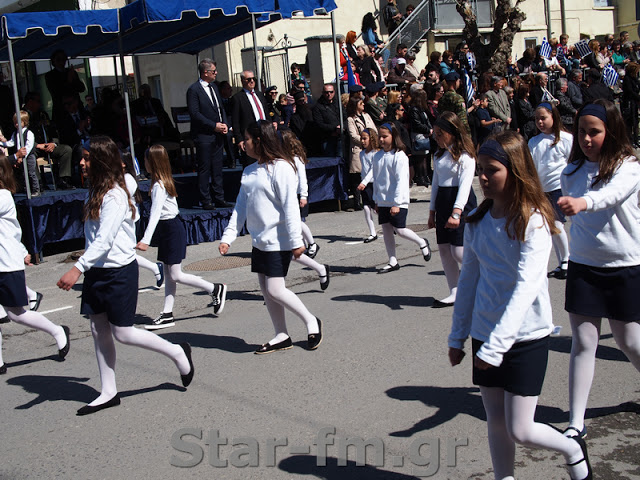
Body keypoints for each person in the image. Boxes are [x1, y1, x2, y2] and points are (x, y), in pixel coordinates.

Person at [448, 130, 592, 480]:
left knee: (521, 429)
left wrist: (497, 346)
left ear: (514, 171)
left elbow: (527, 287)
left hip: (525, 337)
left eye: (491, 170)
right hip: (485, 337)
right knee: (496, 423)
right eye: (480, 168)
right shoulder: (478, 221)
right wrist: (457, 336)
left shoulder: (533, 220)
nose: (482, 177)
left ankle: (572, 448)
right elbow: (468, 282)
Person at [57, 136, 194, 415]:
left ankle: (177, 351)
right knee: (98, 329)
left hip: (119, 271)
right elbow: (94, 237)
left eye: (86, 158)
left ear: (100, 162)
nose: (81, 163)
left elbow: (105, 240)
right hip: (98, 271)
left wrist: (77, 268)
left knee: (123, 333)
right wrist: (87, 267)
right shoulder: (95, 191)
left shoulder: (116, 195)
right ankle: (108, 391)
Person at [557, 100, 640, 443]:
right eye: (582, 131)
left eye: (595, 132)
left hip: (625, 266)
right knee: (584, 342)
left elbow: (611, 195)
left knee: (630, 341)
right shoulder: (570, 172)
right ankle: (576, 421)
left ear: (611, 131)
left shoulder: (629, 166)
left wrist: (583, 202)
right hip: (584, 266)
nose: (587, 138)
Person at [220, 121, 322, 354]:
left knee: (276, 289)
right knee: (267, 292)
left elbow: (290, 206)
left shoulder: (282, 168)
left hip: (280, 239)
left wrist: (297, 241)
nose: (242, 143)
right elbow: (240, 208)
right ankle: (281, 334)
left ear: (259, 140)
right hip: (260, 241)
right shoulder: (248, 172)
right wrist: (229, 236)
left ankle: (311, 321)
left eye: (245, 138)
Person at [136, 145, 227, 330]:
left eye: (145, 159)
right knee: (170, 275)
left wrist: (145, 239)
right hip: (169, 229)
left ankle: (214, 288)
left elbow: (154, 215)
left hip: (171, 229)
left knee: (175, 274)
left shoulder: (158, 186)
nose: (144, 162)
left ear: (152, 162)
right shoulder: (161, 182)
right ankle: (167, 314)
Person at [0, 155, 70, 375]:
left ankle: (57, 331)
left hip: (6, 263)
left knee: (16, 314)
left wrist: (21, 253)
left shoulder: (3, 196)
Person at [358, 123, 431, 274]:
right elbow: (377, 180)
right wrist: (377, 200)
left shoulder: (399, 156)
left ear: (394, 136)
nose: (382, 139)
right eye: (380, 136)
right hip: (383, 200)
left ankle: (422, 242)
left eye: (385, 136)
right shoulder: (377, 156)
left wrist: (397, 203)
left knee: (400, 229)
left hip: (397, 201)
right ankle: (392, 260)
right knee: (386, 230)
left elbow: (401, 181)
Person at [427, 112, 477, 307]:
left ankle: (486, 274)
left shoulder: (465, 156)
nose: (436, 137)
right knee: (445, 250)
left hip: (461, 204)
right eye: (435, 134)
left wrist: (457, 212)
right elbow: (436, 184)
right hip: (443, 203)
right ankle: (455, 291)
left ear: (452, 132)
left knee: (458, 251)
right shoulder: (439, 156)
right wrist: (432, 212)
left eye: (440, 134)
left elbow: (465, 187)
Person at [280, 129, 330, 289]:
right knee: (286, 251)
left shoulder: (296, 159)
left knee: (287, 248)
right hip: (281, 203)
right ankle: (320, 268)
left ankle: (313, 244)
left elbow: (302, 179)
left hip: (293, 199)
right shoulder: (280, 160)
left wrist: (303, 195)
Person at [529, 103, 573, 279]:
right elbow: (532, 167)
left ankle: (567, 260)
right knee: (550, 226)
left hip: (559, 187)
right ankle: (562, 260)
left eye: (543, 118)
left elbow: (573, 162)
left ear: (553, 117)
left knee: (556, 224)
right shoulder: (534, 141)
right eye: (537, 119)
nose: (540, 122)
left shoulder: (565, 139)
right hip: (542, 189)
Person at [186, 58, 231, 210]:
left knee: (217, 167)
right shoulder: (194, 90)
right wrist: (213, 126)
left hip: (218, 135)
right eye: (213, 71)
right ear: (205, 72)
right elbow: (195, 113)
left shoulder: (214, 88)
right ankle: (206, 200)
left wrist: (224, 124)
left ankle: (219, 197)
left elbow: (220, 108)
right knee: (205, 168)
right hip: (204, 136)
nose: (216, 73)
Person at [121, 151, 164, 289]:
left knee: (126, 253)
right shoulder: (118, 178)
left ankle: (154, 268)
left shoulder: (128, 179)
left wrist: (146, 239)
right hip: (122, 221)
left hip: (129, 221)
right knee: (123, 252)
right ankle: (154, 268)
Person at [23, 91, 75, 190]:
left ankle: (63, 180)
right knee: (30, 154)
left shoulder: (42, 114)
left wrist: (53, 143)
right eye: (38, 101)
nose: (40, 104)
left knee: (66, 149)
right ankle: (38, 183)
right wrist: (37, 145)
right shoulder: (22, 115)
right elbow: (20, 136)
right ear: (30, 102)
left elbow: (53, 130)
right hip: (34, 147)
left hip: (47, 145)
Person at [347, 97, 377, 211]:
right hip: (358, 149)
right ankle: (357, 201)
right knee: (358, 175)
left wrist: (371, 140)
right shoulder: (351, 119)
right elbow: (353, 135)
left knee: (370, 172)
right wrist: (364, 140)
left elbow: (373, 130)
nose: (363, 104)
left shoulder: (366, 116)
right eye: (360, 103)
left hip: (371, 147)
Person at [0, 111, 39, 196]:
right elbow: (11, 143)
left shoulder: (29, 133)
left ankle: (36, 189)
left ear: (24, 122)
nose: (16, 125)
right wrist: (2, 143)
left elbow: (28, 146)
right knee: (23, 173)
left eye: (18, 122)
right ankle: (26, 188)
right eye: (15, 123)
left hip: (28, 156)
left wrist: (22, 155)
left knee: (31, 173)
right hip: (20, 156)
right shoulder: (15, 133)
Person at [45, 49, 85, 126]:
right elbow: (56, 92)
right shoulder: (50, 75)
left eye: (63, 59)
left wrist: (73, 79)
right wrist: (69, 81)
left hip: (77, 108)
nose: (61, 62)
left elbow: (82, 88)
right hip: (62, 111)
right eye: (58, 59)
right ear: (54, 61)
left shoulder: (70, 72)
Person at [358, 128, 379, 243]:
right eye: (361, 138)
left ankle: (391, 225)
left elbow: (372, 170)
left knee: (377, 209)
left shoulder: (375, 154)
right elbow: (364, 170)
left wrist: (364, 182)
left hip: (373, 184)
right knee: (366, 207)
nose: (362, 141)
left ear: (371, 139)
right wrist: (363, 182)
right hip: (365, 185)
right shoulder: (362, 154)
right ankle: (372, 233)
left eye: (365, 138)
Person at [312, 83, 341, 157]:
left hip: (340, 137)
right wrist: (335, 128)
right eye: (326, 92)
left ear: (334, 92)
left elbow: (345, 117)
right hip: (327, 139)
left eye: (331, 92)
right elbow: (319, 124)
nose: (329, 94)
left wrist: (341, 127)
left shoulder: (338, 104)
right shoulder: (318, 107)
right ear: (323, 93)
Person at [622, 62, 640, 147]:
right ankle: (630, 140)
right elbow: (629, 91)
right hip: (629, 103)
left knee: (636, 121)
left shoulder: (635, 79)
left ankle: (636, 139)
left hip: (635, 103)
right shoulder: (627, 79)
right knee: (629, 122)